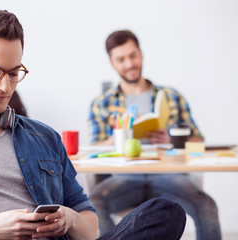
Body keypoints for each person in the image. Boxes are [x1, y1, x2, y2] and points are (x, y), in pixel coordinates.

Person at [0, 11, 186, 240]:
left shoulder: (44, 137)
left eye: (14, 72)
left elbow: (91, 227)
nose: (5, 86)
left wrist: (69, 218)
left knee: (164, 212)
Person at [88, 30, 221, 240]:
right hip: (125, 178)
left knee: (206, 204)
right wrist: (116, 138)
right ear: (112, 63)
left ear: (141, 54)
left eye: (133, 55)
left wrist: (173, 139)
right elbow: (93, 149)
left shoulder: (171, 96)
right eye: (121, 59)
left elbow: (199, 141)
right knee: (93, 202)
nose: (129, 63)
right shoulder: (103, 103)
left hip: (168, 176)